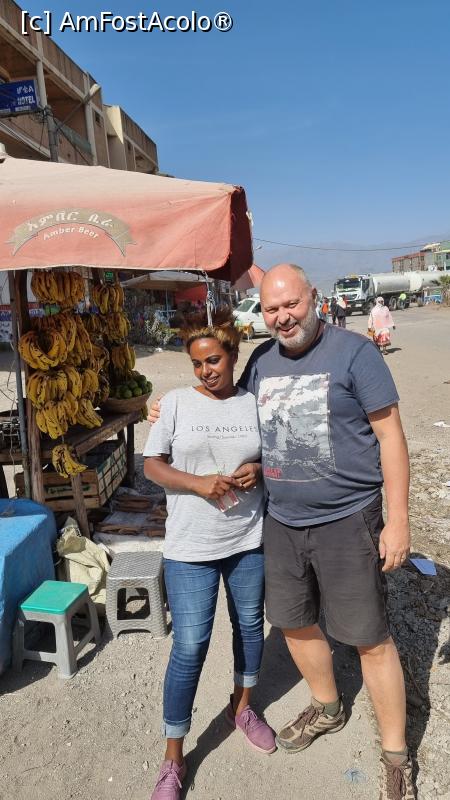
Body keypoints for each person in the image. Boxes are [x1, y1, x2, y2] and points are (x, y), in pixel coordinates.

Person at [149, 264, 415, 800]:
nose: (282, 316)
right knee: (294, 623)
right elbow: (239, 420)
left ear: (313, 297)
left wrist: (399, 517)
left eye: (291, 304)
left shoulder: (356, 353)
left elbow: (390, 436)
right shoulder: (262, 363)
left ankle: (396, 756)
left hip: (347, 519)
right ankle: (328, 706)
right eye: (271, 309)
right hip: (282, 524)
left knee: (369, 637)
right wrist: (161, 409)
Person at [143, 309, 276, 800]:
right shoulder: (177, 403)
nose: (206, 371)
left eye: (214, 360)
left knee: (250, 628)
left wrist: (258, 468)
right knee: (190, 645)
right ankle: (173, 757)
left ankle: (241, 708)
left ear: (233, 356)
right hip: (191, 546)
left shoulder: (253, 403)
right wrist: (196, 483)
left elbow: (275, 452)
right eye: (197, 364)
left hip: (246, 540)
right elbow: (152, 465)